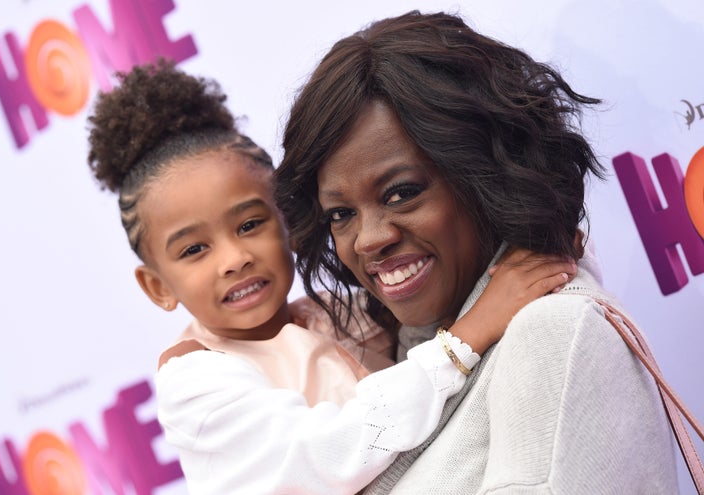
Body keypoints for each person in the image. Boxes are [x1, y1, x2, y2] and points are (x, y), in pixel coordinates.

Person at [86, 60, 576, 494]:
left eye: (250, 224)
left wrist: (539, 250)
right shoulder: (197, 382)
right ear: (159, 286)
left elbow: (469, 296)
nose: (233, 258)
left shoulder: (341, 315)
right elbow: (323, 458)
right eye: (194, 249)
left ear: (291, 226)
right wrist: (461, 342)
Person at [274, 10, 679, 495]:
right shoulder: (396, 360)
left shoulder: (552, 335)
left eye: (400, 193)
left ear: (486, 175)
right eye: (340, 214)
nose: (367, 240)